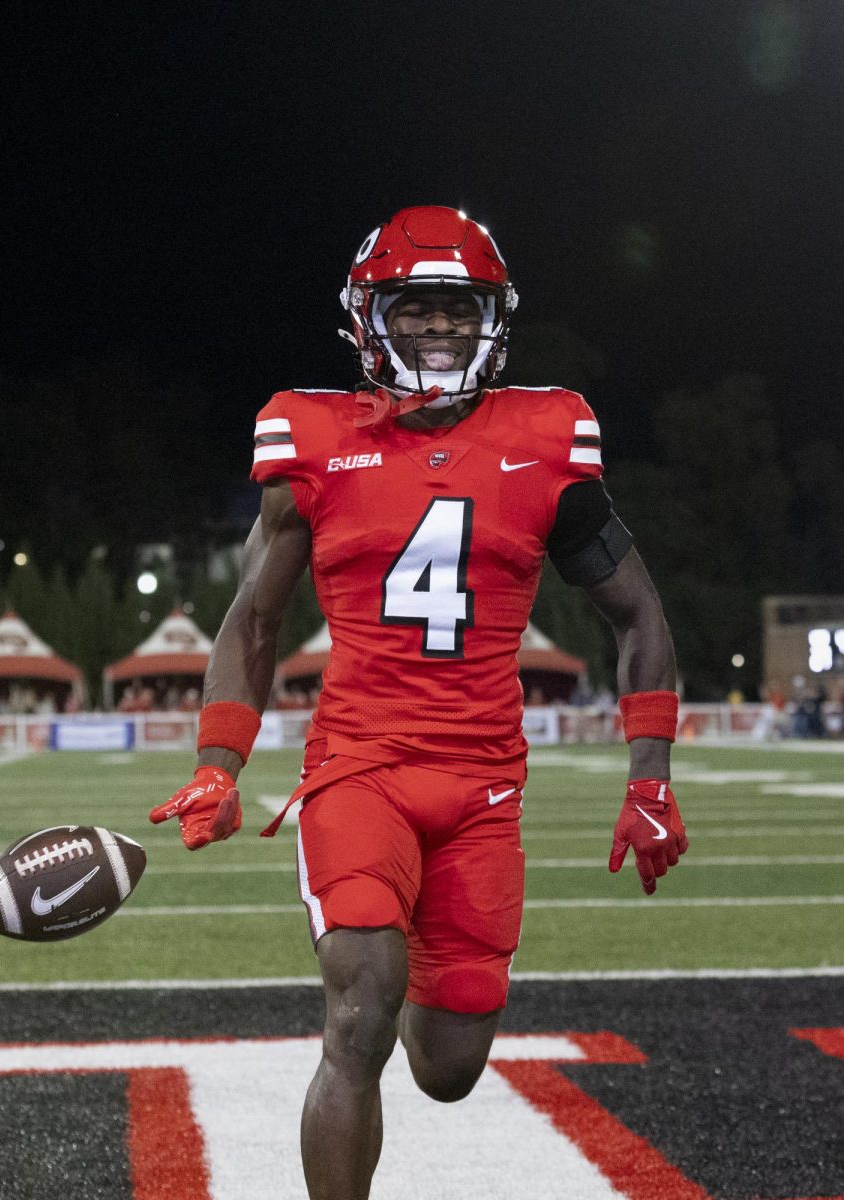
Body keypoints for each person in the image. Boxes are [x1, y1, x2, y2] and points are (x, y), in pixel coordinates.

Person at [149, 206, 688, 1200]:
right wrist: (219, 763)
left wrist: (650, 779)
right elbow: (251, 622)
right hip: (360, 768)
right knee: (360, 1013)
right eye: (419, 310)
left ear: (494, 321)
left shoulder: (545, 439)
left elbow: (640, 618)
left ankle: (417, 972)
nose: (441, 330)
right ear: (369, 321)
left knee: (446, 1065)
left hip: (483, 785)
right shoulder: (312, 441)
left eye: (459, 310)